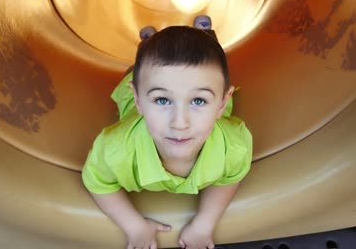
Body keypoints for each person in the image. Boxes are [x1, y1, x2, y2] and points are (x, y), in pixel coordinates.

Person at [82, 15, 253, 249]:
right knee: (140, 68)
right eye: (162, 100)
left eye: (199, 101)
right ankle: (148, 41)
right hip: (138, 94)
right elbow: (98, 183)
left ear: (222, 104)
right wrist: (135, 227)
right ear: (139, 100)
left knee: (207, 58)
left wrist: (205, 224)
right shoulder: (115, 148)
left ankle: (205, 34)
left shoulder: (234, 145)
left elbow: (229, 177)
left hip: (196, 92)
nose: (179, 123)